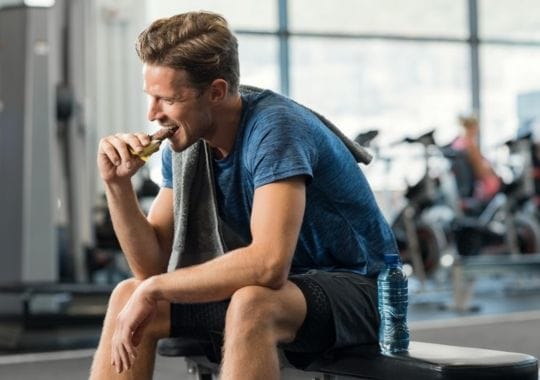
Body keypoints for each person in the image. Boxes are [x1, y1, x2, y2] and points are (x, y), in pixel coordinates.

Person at [89, 11, 399, 380]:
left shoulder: (276, 129)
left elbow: (268, 265)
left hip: (365, 290)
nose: (153, 114)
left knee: (254, 303)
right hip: (287, 288)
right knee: (128, 293)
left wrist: (155, 288)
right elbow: (149, 267)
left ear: (216, 92)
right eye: (150, 97)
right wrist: (117, 185)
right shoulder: (185, 142)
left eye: (167, 99)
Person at [451, 114, 501, 202]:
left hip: (464, 186)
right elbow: (480, 171)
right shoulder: (470, 146)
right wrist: (494, 174)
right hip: (479, 187)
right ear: (473, 128)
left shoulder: (457, 142)